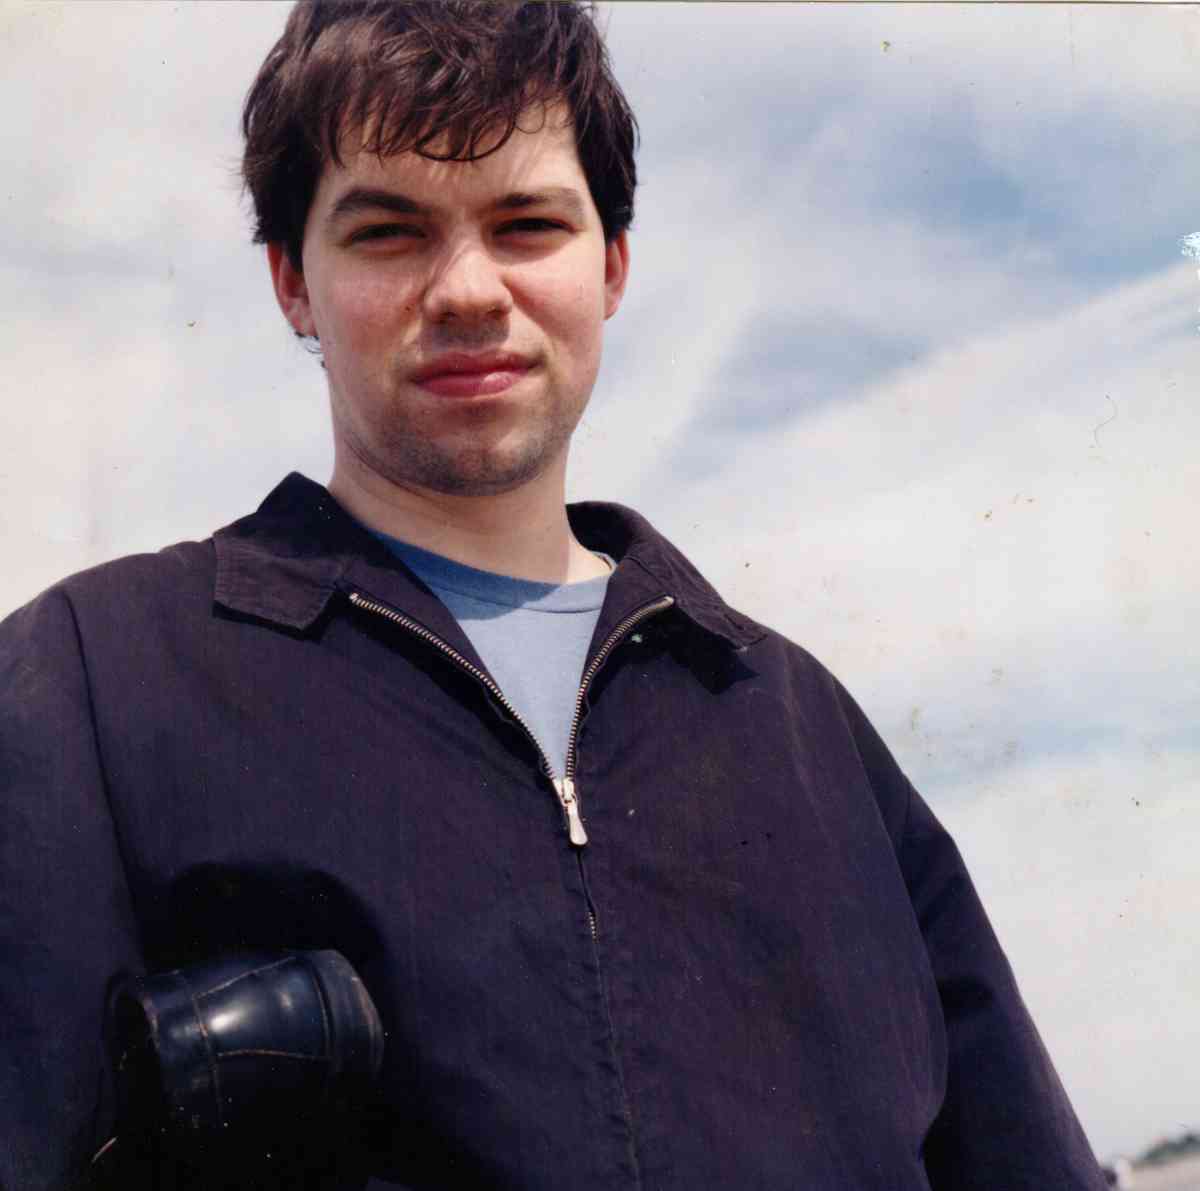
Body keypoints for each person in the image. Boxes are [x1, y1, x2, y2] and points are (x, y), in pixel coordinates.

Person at [0, 2, 1108, 1188]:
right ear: (291, 284)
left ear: (612, 264)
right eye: (389, 233)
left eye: (527, 223)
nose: (469, 289)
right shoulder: (87, 688)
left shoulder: (801, 725)